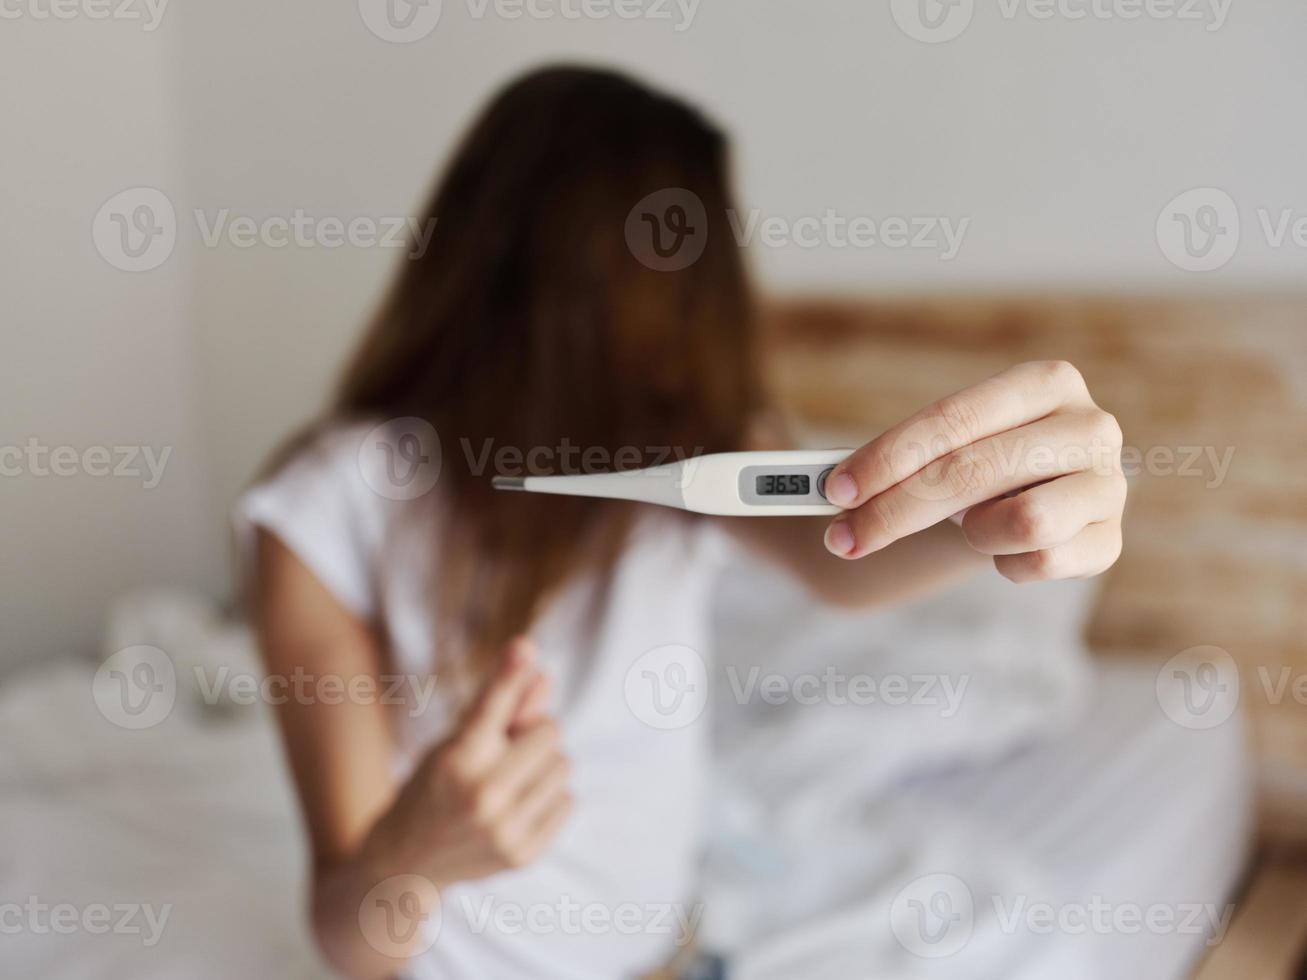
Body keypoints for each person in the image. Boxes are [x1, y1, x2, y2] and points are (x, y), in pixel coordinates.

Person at [237, 65, 1126, 979]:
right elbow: (350, 938)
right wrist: (410, 860)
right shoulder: (321, 512)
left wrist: (1014, 503)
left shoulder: (690, 456)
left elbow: (848, 557)